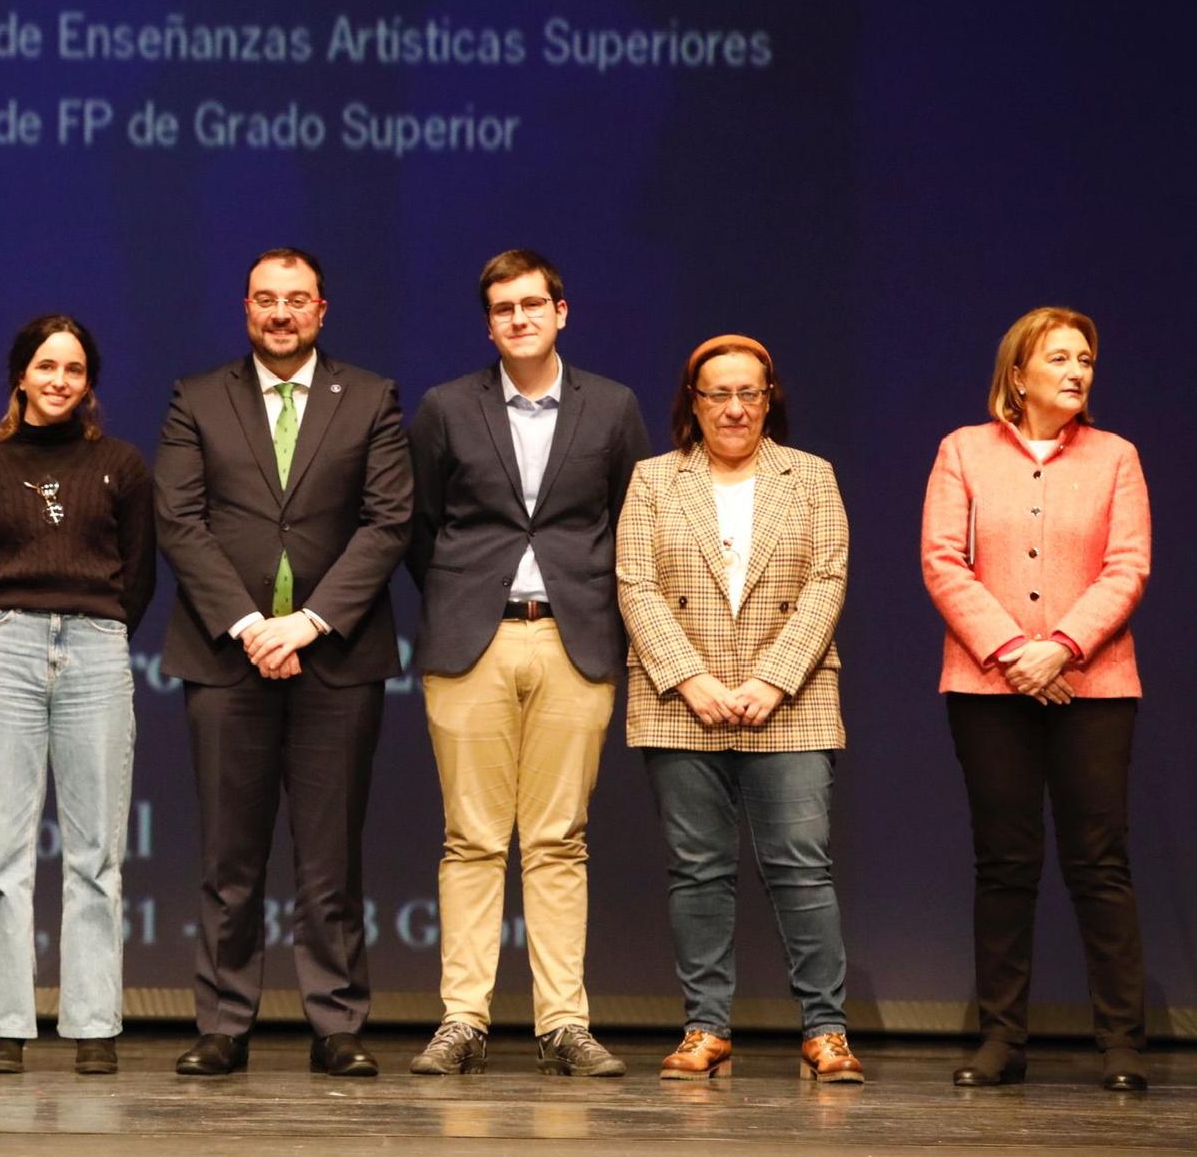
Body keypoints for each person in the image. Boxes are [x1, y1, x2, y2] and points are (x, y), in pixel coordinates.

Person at [155, 247, 412, 1077]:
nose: (280, 313)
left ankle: (336, 1023)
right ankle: (223, 1023)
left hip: (335, 656)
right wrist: (246, 624)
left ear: (322, 310)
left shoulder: (371, 397)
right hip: (226, 658)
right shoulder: (197, 397)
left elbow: (386, 524)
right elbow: (180, 523)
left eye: (296, 300)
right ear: (245, 308)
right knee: (230, 857)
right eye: (265, 299)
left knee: (330, 857)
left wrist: (305, 623)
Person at [405, 249, 650, 1078]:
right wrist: (462, 599)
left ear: (561, 311)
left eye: (532, 304)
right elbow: (422, 525)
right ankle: (462, 1019)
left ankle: (563, 1025)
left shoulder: (612, 407)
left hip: (573, 639)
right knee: (471, 838)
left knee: (558, 840)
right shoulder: (445, 406)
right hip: (473, 639)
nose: (519, 318)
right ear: (489, 324)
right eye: (503, 308)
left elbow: (630, 522)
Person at [616, 334, 863, 1084]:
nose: (733, 407)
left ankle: (825, 1030)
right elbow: (635, 583)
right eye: (717, 393)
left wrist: (772, 680)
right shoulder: (654, 479)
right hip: (681, 701)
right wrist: (690, 679)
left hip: (789, 702)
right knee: (697, 869)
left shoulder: (811, 476)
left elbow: (827, 579)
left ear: (768, 398)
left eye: (747, 393)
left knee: (801, 867)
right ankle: (705, 1026)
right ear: (693, 403)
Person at [921, 306, 1151, 1091]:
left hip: (1095, 684)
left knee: (1099, 862)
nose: (1076, 370)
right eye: (1058, 357)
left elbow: (1128, 567)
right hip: (989, 685)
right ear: (1017, 375)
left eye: (1085, 357)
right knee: (1006, 863)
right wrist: (1017, 652)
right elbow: (943, 562)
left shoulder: (1117, 456)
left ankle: (1120, 1041)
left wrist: (1062, 646)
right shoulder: (963, 450)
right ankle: (1001, 1038)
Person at [0, 315, 155, 1075]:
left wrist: (89, 625)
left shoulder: (122, 466)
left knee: (96, 851)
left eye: (74, 368)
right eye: (46, 365)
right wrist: (15, 629)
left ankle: (93, 1022)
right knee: (2, 849)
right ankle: (5, 1022)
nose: (59, 379)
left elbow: (139, 577)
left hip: (97, 646)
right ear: (21, 377)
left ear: (88, 382)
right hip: (6, 645)